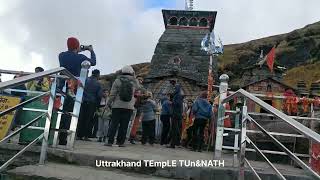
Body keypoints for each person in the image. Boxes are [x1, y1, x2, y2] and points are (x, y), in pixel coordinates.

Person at [58, 37, 96, 145]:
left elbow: (70, 56)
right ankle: (63, 138)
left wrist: (76, 50)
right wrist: (91, 50)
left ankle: (56, 134)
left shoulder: (61, 55)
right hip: (73, 87)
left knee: (60, 110)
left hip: (61, 86)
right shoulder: (81, 58)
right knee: (69, 112)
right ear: (77, 46)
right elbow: (93, 62)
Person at [105, 65, 140, 147]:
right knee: (124, 125)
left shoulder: (117, 80)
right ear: (132, 72)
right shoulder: (134, 81)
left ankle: (110, 141)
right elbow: (139, 88)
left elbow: (112, 94)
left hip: (117, 106)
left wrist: (108, 104)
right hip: (129, 107)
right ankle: (120, 142)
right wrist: (134, 77)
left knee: (114, 124)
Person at [77, 69, 102, 141]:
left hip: (83, 101)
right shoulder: (98, 83)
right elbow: (99, 95)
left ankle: (79, 135)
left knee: (81, 118)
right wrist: (97, 106)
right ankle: (86, 136)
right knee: (89, 119)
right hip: (92, 103)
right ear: (97, 74)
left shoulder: (85, 80)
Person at [129, 75, 146, 144]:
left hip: (139, 107)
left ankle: (132, 137)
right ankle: (125, 135)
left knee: (136, 123)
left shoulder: (143, 89)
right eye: (139, 79)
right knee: (129, 122)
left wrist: (143, 97)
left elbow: (146, 98)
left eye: (141, 80)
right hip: (131, 106)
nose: (140, 81)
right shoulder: (132, 87)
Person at [168, 80, 184, 148]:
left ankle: (173, 144)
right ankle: (175, 143)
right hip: (177, 113)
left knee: (174, 129)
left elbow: (178, 104)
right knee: (175, 128)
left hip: (176, 113)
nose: (174, 89)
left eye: (175, 88)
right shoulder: (178, 95)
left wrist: (172, 103)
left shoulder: (178, 95)